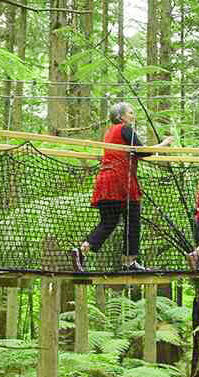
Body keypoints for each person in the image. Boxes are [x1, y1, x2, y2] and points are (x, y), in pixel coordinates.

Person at [74, 102, 174, 271]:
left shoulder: (109, 134)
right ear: (121, 117)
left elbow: (135, 151)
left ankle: (82, 249)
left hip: (106, 181)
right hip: (121, 182)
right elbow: (142, 151)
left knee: (108, 222)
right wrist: (164, 144)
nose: (132, 116)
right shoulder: (124, 129)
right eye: (130, 112)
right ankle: (129, 261)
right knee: (133, 220)